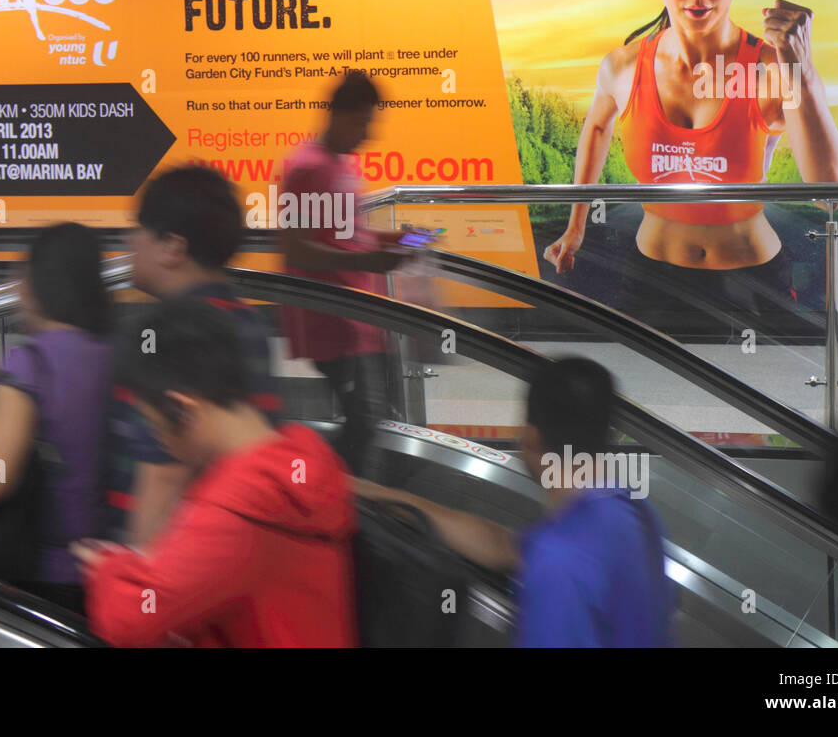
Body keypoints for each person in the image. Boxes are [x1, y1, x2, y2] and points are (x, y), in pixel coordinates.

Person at [543, 0, 838, 318]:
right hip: (651, 279)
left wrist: (801, 66)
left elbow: (831, 192)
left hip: (753, 284)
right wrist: (575, 228)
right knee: (644, 390)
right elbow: (595, 128)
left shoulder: (769, 67)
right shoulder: (623, 67)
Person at [75, 297, 357, 647]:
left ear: (182, 409)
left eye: (153, 425)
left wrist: (107, 569)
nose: (160, 442)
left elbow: (133, 621)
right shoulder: (301, 463)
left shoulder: (235, 509)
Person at [354, 358, 673, 647]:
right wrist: (384, 495)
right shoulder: (634, 512)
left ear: (530, 436)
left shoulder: (556, 561)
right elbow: (502, 545)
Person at [0, 222, 114, 612]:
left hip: (39, 578)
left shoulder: (31, 363)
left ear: (37, 287)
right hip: (101, 570)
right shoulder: (109, 354)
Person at [106, 165, 283, 547]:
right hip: (230, 543)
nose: (129, 239)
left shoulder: (166, 332)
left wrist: (139, 587)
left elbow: (165, 473)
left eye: (139, 228)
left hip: (174, 559)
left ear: (173, 247)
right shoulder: (249, 321)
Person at [279, 71, 410, 475]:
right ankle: (316, 489)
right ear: (338, 114)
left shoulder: (338, 165)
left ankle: (333, 495)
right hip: (330, 322)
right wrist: (368, 262)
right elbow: (296, 246)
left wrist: (394, 239)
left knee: (365, 423)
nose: (368, 134)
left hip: (356, 320)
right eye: (363, 122)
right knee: (363, 425)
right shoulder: (304, 168)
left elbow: (345, 232)